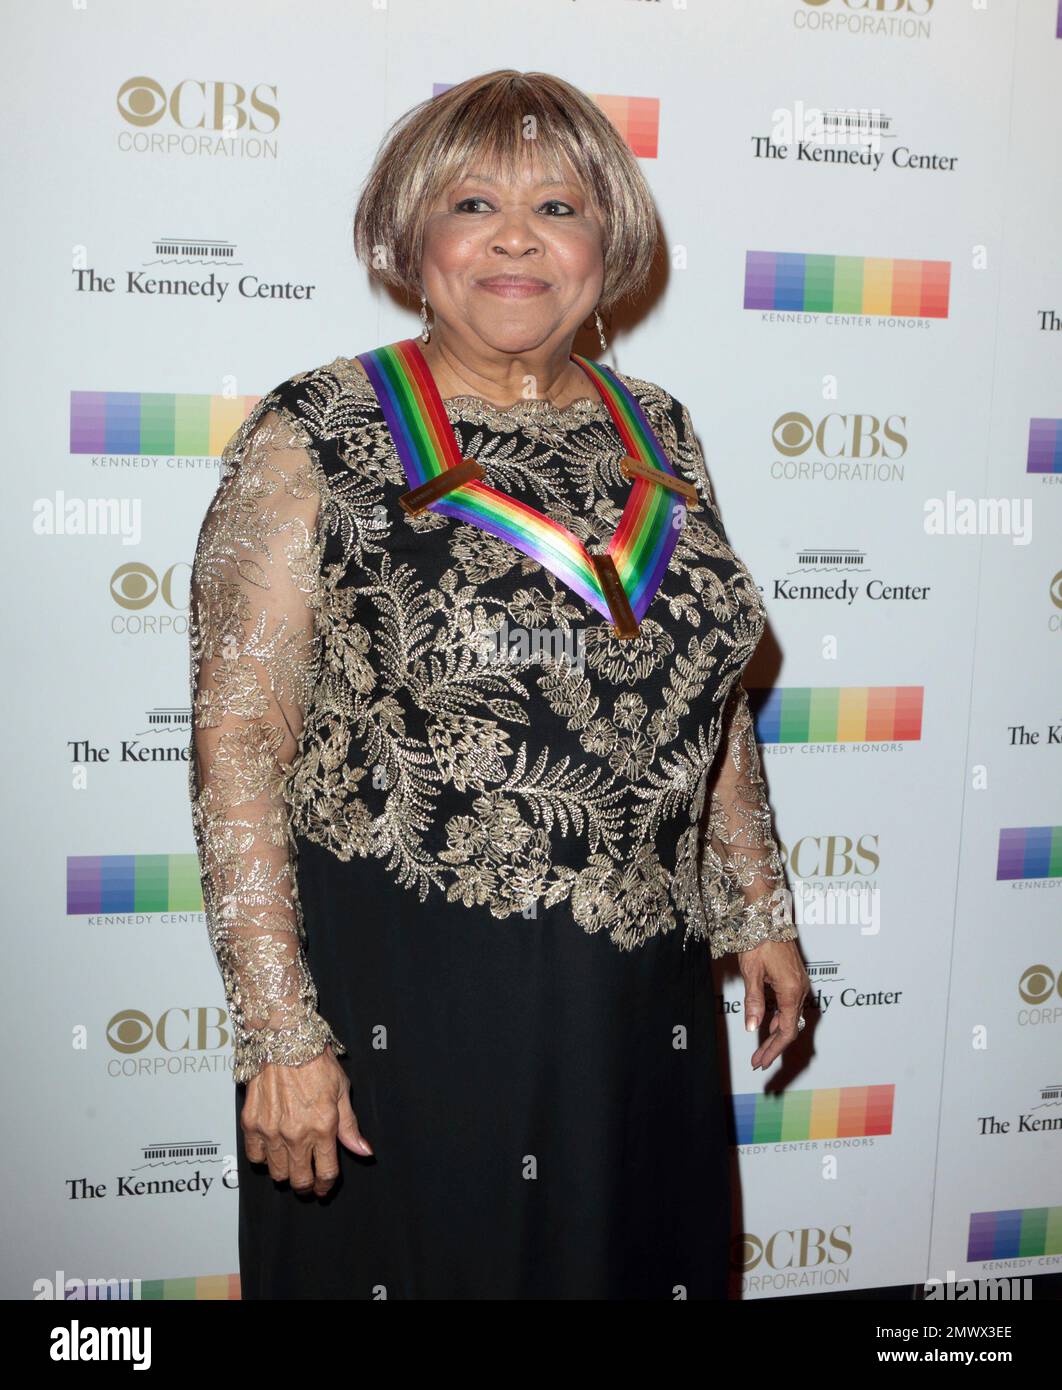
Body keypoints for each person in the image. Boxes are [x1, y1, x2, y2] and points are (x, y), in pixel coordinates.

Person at [187, 68, 809, 1301]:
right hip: (415, 996)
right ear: (410, 238)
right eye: (473, 203)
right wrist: (278, 1029)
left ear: (608, 246)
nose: (517, 238)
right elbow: (240, 739)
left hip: (638, 998)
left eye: (559, 207)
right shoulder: (320, 429)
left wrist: (755, 904)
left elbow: (702, 690)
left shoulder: (660, 430)